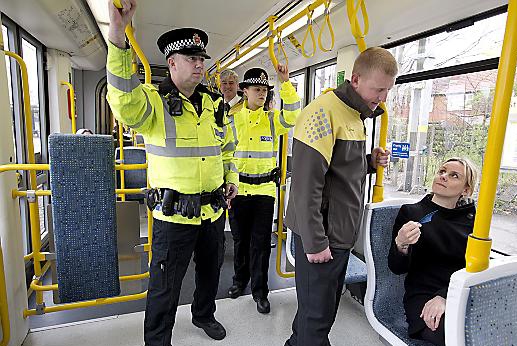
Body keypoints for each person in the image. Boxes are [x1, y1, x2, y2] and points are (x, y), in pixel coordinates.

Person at [106, 1, 239, 344]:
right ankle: (157, 339)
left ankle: (203, 315)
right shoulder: (153, 102)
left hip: (211, 211)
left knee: (210, 273)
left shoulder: (214, 105)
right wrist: (118, 36)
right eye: (192, 59)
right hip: (173, 217)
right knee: (165, 285)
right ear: (172, 63)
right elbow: (122, 101)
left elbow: (228, 150)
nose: (199, 65)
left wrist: (231, 181)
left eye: (201, 59)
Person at [284, 47, 397, 346]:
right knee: (317, 317)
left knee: (319, 311)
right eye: (379, 89)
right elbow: (306, 187)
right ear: (356, 79)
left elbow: (339, 173)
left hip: (340, 233)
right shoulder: (321, 114)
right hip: (323, 236)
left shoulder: (356, 115)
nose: (382, 98)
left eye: (388, 90)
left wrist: (370, 163)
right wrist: (315, 242)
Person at [227, 66, 301, 314]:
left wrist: (285, 83)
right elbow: (224, 155)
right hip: (238, 191)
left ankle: (260, 292)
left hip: (265, 192)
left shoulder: (273, 120)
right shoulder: (232, 120)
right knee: (240, 240)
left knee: (260, 243)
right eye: (257, 89)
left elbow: (293, 114)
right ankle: (239, 281)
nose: (262, 93)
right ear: (244, 91)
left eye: (265, 89)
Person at [388, 157, 478, 346]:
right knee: (457, 336)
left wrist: (446, 295)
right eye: (442, 171)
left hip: (462, 292)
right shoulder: (411, 213)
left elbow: (475, 266)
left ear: (466, 190)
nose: (444, 176)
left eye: (454, 175)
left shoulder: (474, 220)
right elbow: (397, 267)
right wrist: (401, 244)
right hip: (423, 295)